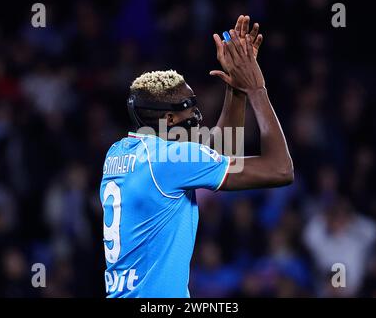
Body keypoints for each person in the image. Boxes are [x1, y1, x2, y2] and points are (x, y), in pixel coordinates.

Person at [100, 15, 293, 297]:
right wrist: (255, 88)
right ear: (168, 118)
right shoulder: (169, 159)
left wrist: (235, 88)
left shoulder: (117, 153)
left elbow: (222, 151)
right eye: (189, 108)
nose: (196, 115)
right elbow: (280, 170)